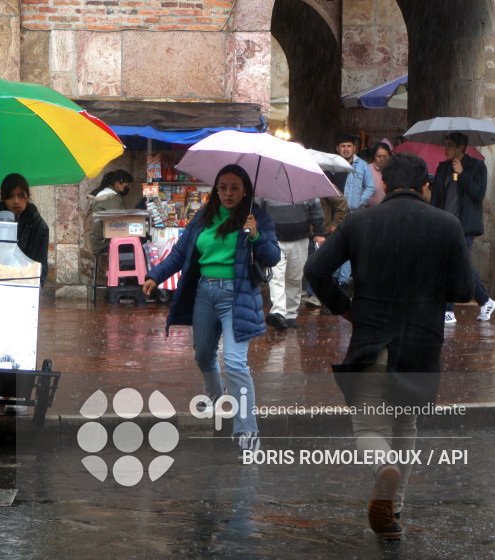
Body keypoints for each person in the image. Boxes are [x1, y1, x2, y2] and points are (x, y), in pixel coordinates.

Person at [304, 153, 474, 540]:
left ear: (383, 184)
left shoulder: (360, 222)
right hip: (419, 348)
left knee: (368, 427)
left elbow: (315, 271)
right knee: (405, 423)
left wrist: (345, 307)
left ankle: (383, 471)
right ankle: (394, 512)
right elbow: (464, 290)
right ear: (424, 186)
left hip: (371, 341)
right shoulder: (446, 225)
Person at [141, 164, 280, 452]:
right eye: (223, 187)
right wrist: (155, 276)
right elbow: (180, 253)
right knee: (203, 354)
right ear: (216, 190)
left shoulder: (258, 217)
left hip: (237, 296)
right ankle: (217, 399)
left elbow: (274, 257)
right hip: (205, 293)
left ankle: (246, 433)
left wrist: (256, 235)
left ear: (245, 191)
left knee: (235, 362)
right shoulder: (203, 217)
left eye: (235, 188)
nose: (228, 193)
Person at [429, 132, 495, 324]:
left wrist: (462, 174)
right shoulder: (442, 168)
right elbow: (437, 198)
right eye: (445, 144)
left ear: (461, 148)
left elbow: (478, 194)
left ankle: (454, 308)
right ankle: (481, 302)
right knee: (452, 264)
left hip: (466, 226)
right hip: (446, 224)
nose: (445, 149)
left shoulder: (477, 166)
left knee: (458, 263)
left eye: (449, 145)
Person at [256, 195, 324, 330]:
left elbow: (316, 209)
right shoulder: (266, 188)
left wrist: (319, 232)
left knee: (295, 277)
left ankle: (291, 314)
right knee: (276, 277)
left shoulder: (304, 186)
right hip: (274, 239)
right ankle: (279, 312)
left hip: (300, 238)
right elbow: (257, 211)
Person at [334, 133, 375, 288]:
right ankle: (334, 279)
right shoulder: (333, 165)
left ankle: (343, 282)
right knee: (335, 247)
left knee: (349, 248)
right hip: (336, 214)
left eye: (349, 146)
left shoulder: (362, 165)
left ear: (354, 148)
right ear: (337, 148)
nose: (346, 149)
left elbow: (370, 186)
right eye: (343, 146)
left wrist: (359, 202)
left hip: (353, 213)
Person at [86, 169, 134, 254]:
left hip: (95, 242)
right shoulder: (112, 198)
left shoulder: (105, 194)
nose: (128, 189)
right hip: (102, 244)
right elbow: (121, 223)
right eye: (127, 186)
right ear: (117, 184)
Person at [367, 142, 392, 207]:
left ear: (389, 156)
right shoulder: (367, 170)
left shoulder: (394, 170)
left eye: (385, 156)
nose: (382, 159)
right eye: (379, 156)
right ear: (374, 156)